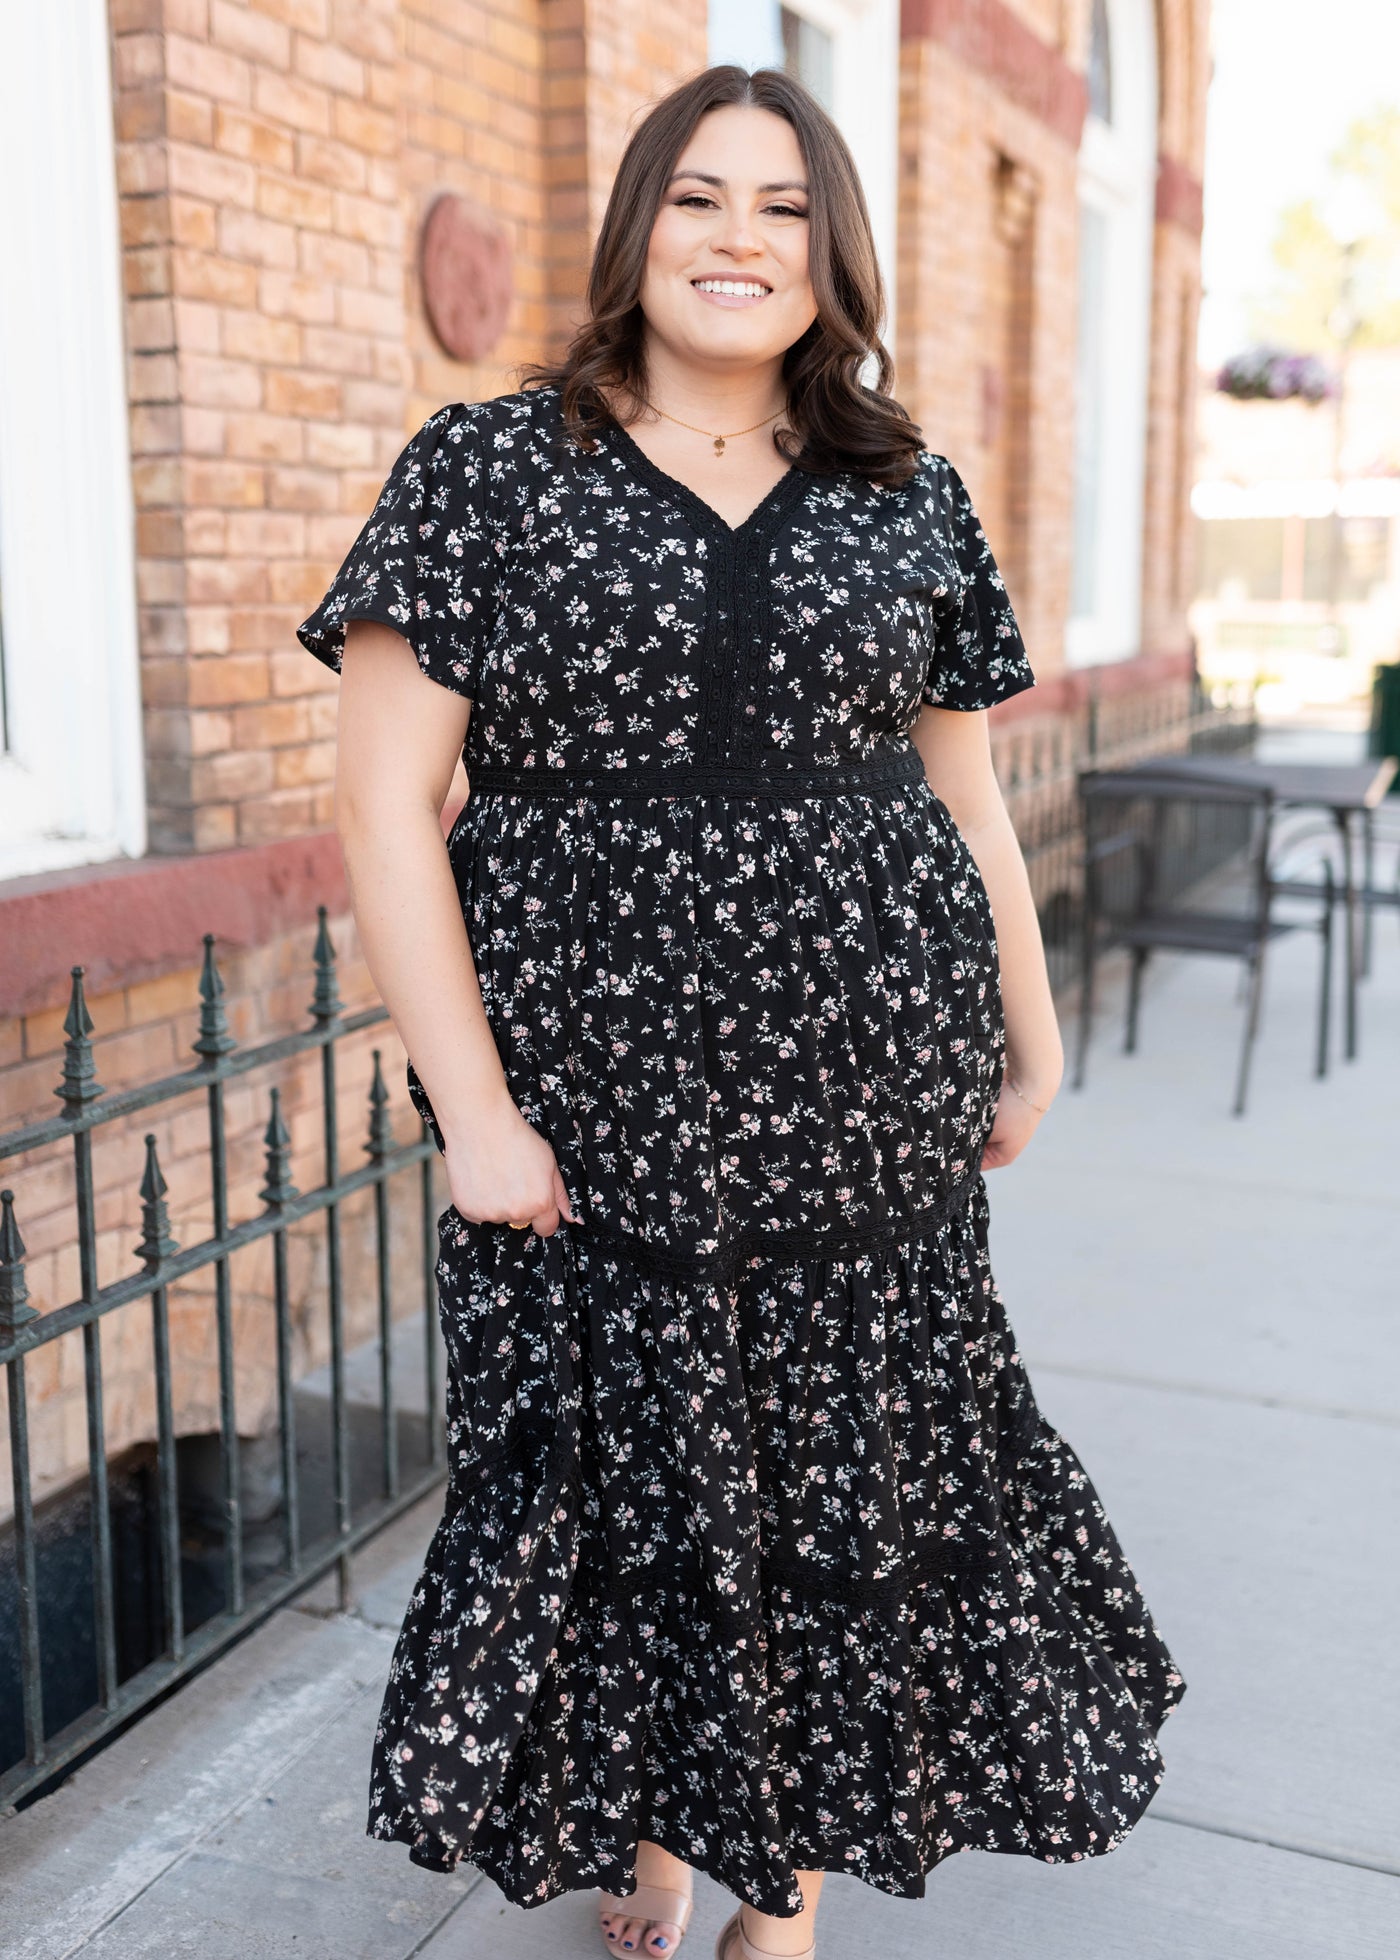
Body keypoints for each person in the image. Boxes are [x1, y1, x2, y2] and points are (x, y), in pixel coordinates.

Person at [297, 63, 1186, 1960]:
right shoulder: (486, 469)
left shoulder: (905, 490)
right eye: (700, 198)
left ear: (832, 252)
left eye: (784, 209)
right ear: (638, 230)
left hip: (865, 1087)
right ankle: (662, 1837)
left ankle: (772, 1884)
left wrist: (1027, 1028)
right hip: (597, 1100)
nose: (739, 241)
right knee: (643, 1486)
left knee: (819, 1484)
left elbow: (960, 796)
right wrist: (478, 1115)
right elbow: (385, 807)